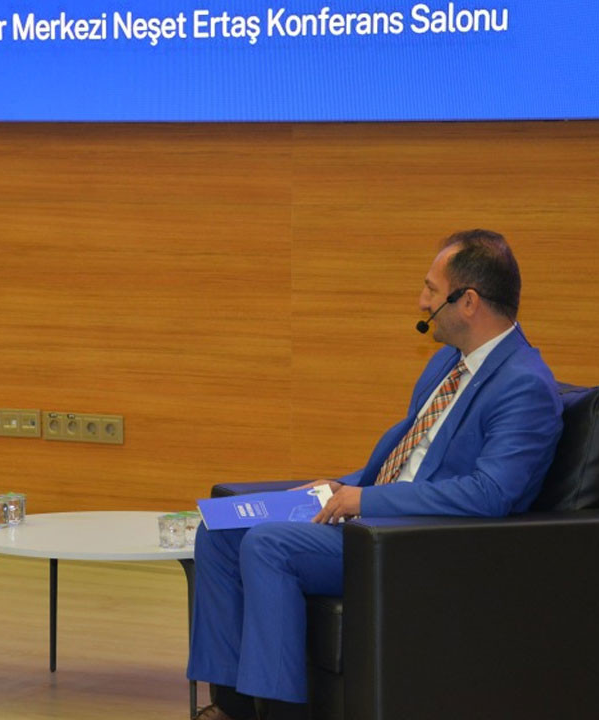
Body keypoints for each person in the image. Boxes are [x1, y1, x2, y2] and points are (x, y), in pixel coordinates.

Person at [186, 230, 564, 720]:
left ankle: (277, 714)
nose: (422, 301)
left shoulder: (524, 386)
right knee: (219, 531)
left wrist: (364, 501)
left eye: (431, 289)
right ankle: (232, 707)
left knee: (268, 545)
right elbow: (410, 459)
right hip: (380, 518)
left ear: (468, 302)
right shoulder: (448, 364)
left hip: (420, 544)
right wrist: (344, 486)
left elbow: (490, 494)